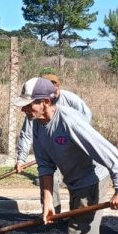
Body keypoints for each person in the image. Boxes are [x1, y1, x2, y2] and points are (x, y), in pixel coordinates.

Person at [12, 77, 118, 234]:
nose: (24, 109)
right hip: (75, 181)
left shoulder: (69, 121)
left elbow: (109, 153)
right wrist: (47, 201)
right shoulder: (37, 124)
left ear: (45, 101)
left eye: (29, 104)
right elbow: (45, 165)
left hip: (93, 180)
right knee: (88, 230)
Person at [15, 73, 92, 213]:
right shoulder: (34, 110)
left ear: (58, 87)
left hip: (70, 150)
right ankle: (51, 214)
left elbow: (86, 121)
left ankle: (73, 215)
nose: (53, 91)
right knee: (47, 177)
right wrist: (21, 158)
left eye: (55, 86)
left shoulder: (71, 102)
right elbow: (27, 134)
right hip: (49, 149)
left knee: (75, 183)